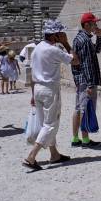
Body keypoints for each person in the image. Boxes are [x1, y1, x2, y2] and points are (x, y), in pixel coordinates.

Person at [23, 20, 79, 171]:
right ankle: (31, 156)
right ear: (55, 35)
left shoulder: (37, 48)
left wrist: (33, 94)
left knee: (45, 123)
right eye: (60, 33)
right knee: (50, 124)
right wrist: (66, 43)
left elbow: (32, 73)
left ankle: (54, 154)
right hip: (49, 90)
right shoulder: (53, 50)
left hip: (38, 89)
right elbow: (76, 61)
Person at [71, 12, 101, 147]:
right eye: (93, 23)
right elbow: (87, 64)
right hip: (86, 80)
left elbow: (94, 52)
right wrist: (91, 84)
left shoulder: (82, 38)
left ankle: (75, 138)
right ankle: (85, 139)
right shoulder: (84, 40)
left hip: (81, 79)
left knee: (79, 108)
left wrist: (99, 37)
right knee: (85, 109)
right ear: (86, 24)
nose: (95, 25)